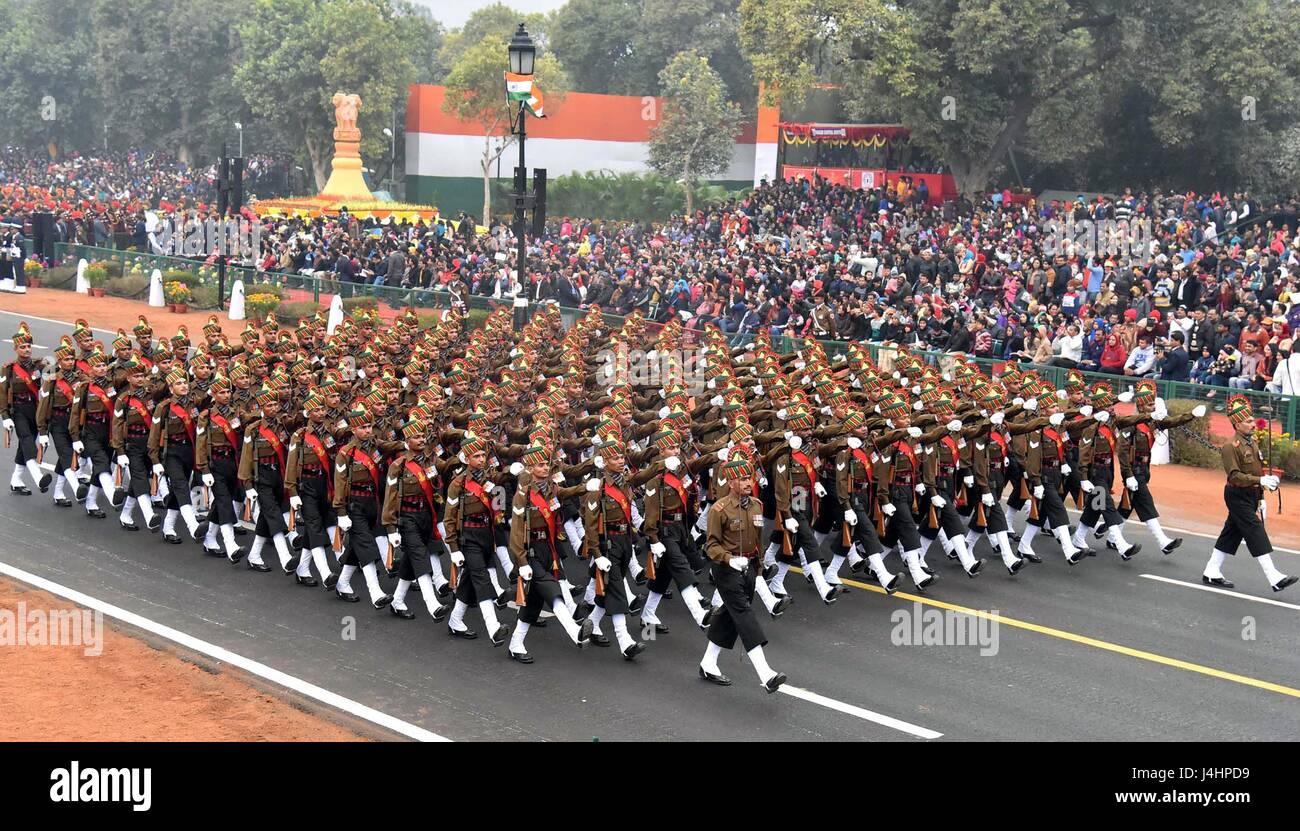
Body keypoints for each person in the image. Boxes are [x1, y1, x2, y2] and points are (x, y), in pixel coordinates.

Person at [698, 453, 787, 693]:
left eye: (750, 478)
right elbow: (712, 546)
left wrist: (758, 570)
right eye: (743, 479)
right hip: (726, 571)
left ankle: (708, 664)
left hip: (748, 569)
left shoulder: (757, 505)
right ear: (730, 482)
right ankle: (766, 674)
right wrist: (729, 559)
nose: (749, 482)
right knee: (744, 615)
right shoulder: (719, 509)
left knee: (729, 615)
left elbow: (759, 541)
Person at [1202, 396, 1295, 593]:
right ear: (1237, 424)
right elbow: (1234, 476)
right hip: (1236, 494)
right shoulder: (1230, 447)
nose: (1253, 424)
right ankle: (1274, 577)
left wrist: (1261, 497)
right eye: (1249, 421)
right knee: (1255, 530)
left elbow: (1256, 471)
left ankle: (1211, 570)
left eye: (1253, 420)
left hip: (1251, 495)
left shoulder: (1251, 443)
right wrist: (1260, 481)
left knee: (1231, 532)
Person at [0, 322, 53, 495]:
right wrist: (5, 416)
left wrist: (50, 364)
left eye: (29, 346)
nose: (27, 349)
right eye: (22, 347)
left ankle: (16, 480)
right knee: (27, 440)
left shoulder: (38, 364)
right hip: (19, 409)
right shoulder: (8, 369)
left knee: (25, 445)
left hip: (35, 409)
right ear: (16, 349)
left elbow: (54, 370)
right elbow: (2, 393)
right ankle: (38, 478)